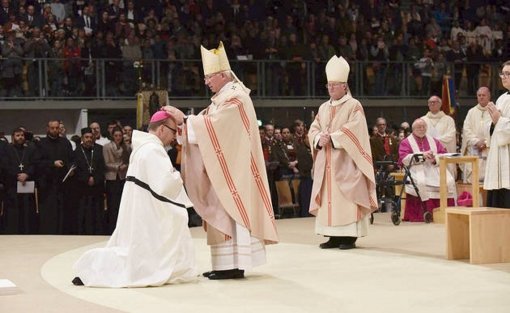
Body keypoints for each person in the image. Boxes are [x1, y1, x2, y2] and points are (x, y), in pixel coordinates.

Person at [176, 41, 278, 280]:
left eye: (209, 76)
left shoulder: (237, 98)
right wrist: (188, 124)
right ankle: (224, 265)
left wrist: (188, 121)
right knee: (222, 213)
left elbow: (219, 127)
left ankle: (235, 265)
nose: (206, 81)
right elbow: (208, 123)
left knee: (232, 212)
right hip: (222, 169)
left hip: (236, 172)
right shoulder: (221, 99)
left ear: (223, 75)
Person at [72, 110, 197, 287]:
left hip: (140, 205)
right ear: (161, 129)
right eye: (173, 131)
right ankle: (92, 270)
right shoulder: (153, 150)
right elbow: (166, 183)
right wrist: (179, 175)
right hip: (147, 208)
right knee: (173, 226)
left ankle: (91, 270)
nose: (174, 137)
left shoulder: (142, 148)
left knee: (130, 247)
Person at [308, 55, 377, 250]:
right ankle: (332, 236)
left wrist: (334, 137)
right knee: (329, 199)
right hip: (326, 163)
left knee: (347, 198)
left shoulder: (354, 105)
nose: (330, 88)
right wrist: (318, 138)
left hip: (347, 162)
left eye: (335, 85)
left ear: (345, 86)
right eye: (329, 85)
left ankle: (348, 237)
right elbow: (314, 128)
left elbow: (356, 129)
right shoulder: (322, 107)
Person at [398, 118, 456, 222]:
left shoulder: (433, 141)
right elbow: (404, 158)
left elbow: (443, 154)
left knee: (449, 181)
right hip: (416, 169)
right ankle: (424, 213)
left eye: (424, 127)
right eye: (419, 127)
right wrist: (422, 156)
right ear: (413, 129)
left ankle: (446, 211)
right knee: (421, 182)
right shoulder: (406, 142)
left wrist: (435, 159)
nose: (422, 129)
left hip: (434, 168)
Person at [37, 120, 74, 234]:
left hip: (63, 184)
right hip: (47, 184)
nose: (55, 130)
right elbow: (37, 162)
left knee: (62, 210)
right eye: (52, 128)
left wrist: (70, 169)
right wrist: (52, 163)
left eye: (57, 128)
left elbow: (71, 159)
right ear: (47, 129)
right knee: (49, 211)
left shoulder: (65, 142)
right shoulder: (41, 143)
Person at [484, 61, 510, 208]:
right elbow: (493, 126)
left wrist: (499, 120)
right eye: (502, 73)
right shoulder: (501, 98)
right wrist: (494, 123)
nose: (504, 77)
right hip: (498, 153)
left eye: (508, 74)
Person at [73, 127, 106, 235]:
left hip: (97, 187)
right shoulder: (76, 151)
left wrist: (95, 179)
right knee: (83, 212)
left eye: (91, 137)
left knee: (97, 212)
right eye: (86, 137)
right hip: (82, 188)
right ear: (82, 138)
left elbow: (103, 168)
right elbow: (75, 169)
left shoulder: (99, 149)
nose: (89, 139)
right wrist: (87, 178)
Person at [103, 126, 131, 234]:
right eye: (116, 135)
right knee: (112, 204)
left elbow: (130, 161)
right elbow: (106, 163)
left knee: (122, 204)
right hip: (112, 177)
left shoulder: (126, 147)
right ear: (112, 136)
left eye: (120, 135)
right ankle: (111, 228)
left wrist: (126, 166)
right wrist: (118, 167)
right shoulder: (107, 147)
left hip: (123, 177)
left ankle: (122, 229)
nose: (118, 137)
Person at [460, 87, 492, 183]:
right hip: (474, 151)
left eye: (484, 95)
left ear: (489, 96)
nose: (481, 97)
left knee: (489, 184)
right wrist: (476, 142)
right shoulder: (471, 112)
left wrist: (486, 142)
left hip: (489, 151)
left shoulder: (495, 111)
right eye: (479, 95)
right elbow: (466, 130)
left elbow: (497, 130)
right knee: (472, 184)